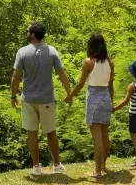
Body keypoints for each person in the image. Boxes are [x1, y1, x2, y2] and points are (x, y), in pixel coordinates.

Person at [11, 20, 75, 176]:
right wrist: (69, 93)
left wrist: (13, 95)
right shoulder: (51, 51)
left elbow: (16, 76)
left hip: (29, 99)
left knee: (31, 133)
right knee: (51, 132)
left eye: (28, 31)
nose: (27, 33)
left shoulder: (22, 52)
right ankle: (57, 165)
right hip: (47, 98)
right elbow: (61, 74)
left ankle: (36, 167)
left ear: (33, 35)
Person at [69, 32, 115, 179]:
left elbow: (81, 83)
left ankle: (97, 171)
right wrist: (111, 102)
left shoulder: (88, 62)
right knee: (104, 135)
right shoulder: (110, 62)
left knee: (97, 138)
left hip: (94, 99)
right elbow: (110, 85)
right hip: (106, 98)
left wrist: (70, 95)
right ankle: (103, 165)